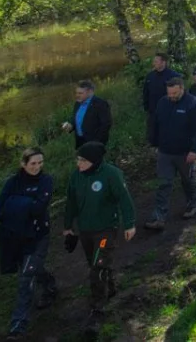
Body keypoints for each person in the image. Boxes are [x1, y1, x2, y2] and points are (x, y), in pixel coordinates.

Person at [63, 142, 135, 331]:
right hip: (86, 229)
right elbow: (70, 201)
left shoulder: (111, 174)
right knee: (95, 263)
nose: (79, 164)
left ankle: (98, 307)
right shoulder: (76, 177)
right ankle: (109, 288)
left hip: (105, 229)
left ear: (94, 161)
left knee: (98, 265)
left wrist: (130, 223)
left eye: (83, 160)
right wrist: (67, 226)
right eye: (77, 159)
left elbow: (124, 198)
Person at [0, 148, 57, 339]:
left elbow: (39, 209)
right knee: (32, 269)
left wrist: (15, 203)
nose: (37, 167)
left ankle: (18, 326)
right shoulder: (12, 183)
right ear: (23, 164)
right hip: (16, 238)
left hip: (39, 237)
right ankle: (50, 285)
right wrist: (26, 203)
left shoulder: (46, 181)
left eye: (40, 163)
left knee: (25, 279)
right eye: (33, 163)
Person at [145, 77, 196, 229]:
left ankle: (193, 203)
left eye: (175, 93)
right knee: (163, 183)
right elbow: (156, 123)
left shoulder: (193, 104)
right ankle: (159, 217)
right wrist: (154, 142)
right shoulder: (163, 102)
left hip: (185, 152)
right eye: (169, 93)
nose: (172, 96)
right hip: (165, 152)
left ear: (182, 89)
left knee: (188, 181)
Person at [142, 53, 182, 144]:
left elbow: (180, 95)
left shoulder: (173, 76)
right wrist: (146, 107)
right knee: (153, 134)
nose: (154, 63)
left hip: (169, 111)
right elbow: (145, 92)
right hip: (153, 111)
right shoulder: (150, 76)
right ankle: (155, 150)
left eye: (156, 61)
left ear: (163, 62)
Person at [61, 80, 111, 149]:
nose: (77, 95)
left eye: (80, 93)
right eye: (76, 93)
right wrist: (71, 126)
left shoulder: (100, 104)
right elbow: (76, 119)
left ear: (90, 92)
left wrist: (97, 142)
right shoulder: (77, 103)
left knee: (94, 160)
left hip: (94, 143)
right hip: (80, 141)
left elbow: (106, 124)